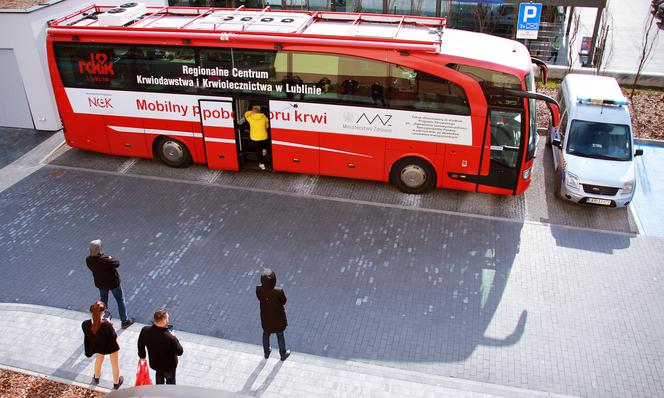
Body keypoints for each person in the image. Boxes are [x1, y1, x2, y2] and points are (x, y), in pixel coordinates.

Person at [86, 239, 135, 328]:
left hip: (101, 284)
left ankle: (103, 319)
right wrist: (110, 257)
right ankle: (124, 321)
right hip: (113, 284)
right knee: (120, 300)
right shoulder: (105, 260)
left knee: (103, 301)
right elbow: (117, 263)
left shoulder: (88, 260)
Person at [82, 301, 124, 389]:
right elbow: (113, 336)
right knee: (114, 364)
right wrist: (109, 323)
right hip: (111, 346)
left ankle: (96, 377)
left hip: (98, 346)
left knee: (99, 360)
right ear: (103, 313)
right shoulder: (107, 325)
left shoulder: (85, 324)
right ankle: (116, 383)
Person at [137, 309, 184, 385]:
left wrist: (142, 356)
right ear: (164, 320)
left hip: (155, 364)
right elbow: (180, 351)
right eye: (167, 318)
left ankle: (158, 392)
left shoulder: (145, 330)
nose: (168, 320)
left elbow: (140, 344)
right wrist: (174, 337)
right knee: (170, 382)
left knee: (159, 378)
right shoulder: (170, 338)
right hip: (169, 366)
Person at [256, 268, 290, 361]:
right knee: (280, 336)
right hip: (278, 319)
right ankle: (283, 354)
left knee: (266, 334)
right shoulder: (278, 291)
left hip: (266, 318)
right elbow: (284, 301)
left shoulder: (258, 288)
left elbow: (259, 298)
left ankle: (266, 353)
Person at [244, 105, 270, 170]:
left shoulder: (250, 118)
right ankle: (264, 150)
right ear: (259, 111)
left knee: (258, 151)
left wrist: (252, 112)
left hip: (255, 137)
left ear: (253, 111)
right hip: (264, 136)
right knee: (263, 146)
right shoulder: (263, 117)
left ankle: (261, 164)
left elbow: (245, 114)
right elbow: (267, 126)